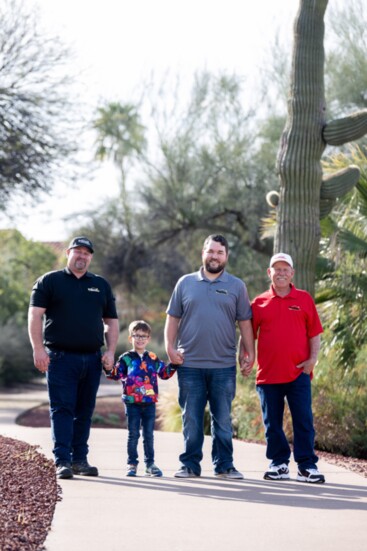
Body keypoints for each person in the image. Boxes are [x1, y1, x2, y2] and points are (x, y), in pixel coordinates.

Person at [165, 234, 255, 479]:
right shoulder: (185, 283)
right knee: (191, 420)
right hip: (189, 364)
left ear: (226, 256)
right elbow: (173, 317)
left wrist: (250, 352)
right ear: (203, 253)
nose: (215, 256)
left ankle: (224, 465)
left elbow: (245, 322)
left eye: (220, 252)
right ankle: (190, 465)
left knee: (223, 420)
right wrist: (170, 348)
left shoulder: (237, 286)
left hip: (223, 365)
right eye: (211, 251)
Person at [28, 236, 119, 480]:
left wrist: (110, 352)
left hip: (91, 359)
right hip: (59, 358)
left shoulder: (100, 285)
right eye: (77, 251)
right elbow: (35, 315)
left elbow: (111, 321)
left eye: (86, 253)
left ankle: (80, 460)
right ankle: (63, 461)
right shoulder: (50, 281)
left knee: (85, 411)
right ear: (68, 253)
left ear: (91, 257)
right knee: (62, 409)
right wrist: (38, 349)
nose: (82, 256)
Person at [240, 252, 325, 484]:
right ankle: (279, 464)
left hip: (298, 372)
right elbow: (248, 334)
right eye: (276, 269)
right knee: (272, 424)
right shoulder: (258, 303)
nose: (281, 272)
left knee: (303, 421)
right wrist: (245, 357)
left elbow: (314, 333)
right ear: (269, 272)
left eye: (285, 268)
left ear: (292, 273)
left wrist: (312, 361)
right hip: (268, 375)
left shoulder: (304, 299)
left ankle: (307, 466)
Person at [105, 320, 181, 477]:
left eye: (143, 336)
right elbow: (116, 374)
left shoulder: (152, 358)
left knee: (149, 435)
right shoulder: (126, 358)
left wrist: (174, 364)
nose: (140, 339)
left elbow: (164, 374)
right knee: (133, 434)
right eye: (136, 335)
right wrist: (107, 368)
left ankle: (150, 464)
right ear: (130, 338)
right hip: (132, 402)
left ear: (148, 338)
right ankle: (132, 464)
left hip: (149, 403)